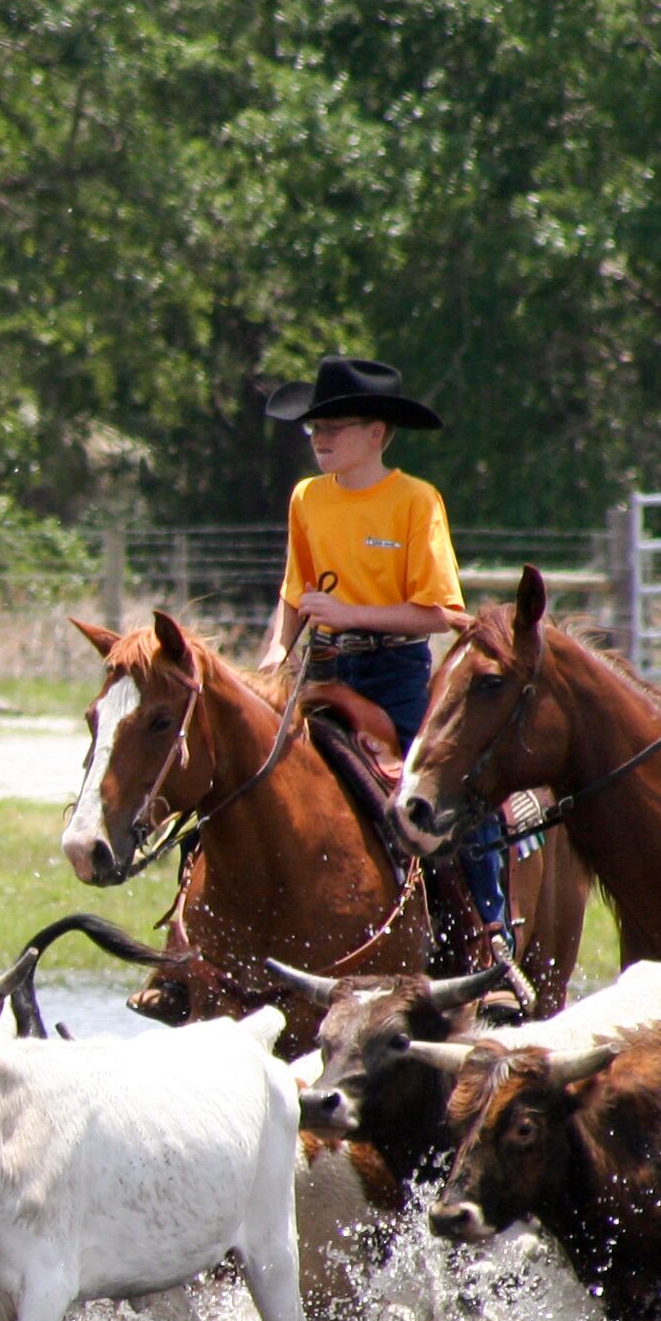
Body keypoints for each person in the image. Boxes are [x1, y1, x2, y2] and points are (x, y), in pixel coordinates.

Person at [254, 356, 499, 940]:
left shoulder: (416, 501)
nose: (321, 438)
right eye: (316, 427)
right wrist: (273, 654)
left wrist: (348, 613)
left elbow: (439, 613)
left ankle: (491, 932)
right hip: (324, 667)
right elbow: (296, 590)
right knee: (249, 776)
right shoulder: (307, 498)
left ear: (377, 435)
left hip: (396, 673)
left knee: (456, 790)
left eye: (336, 426)